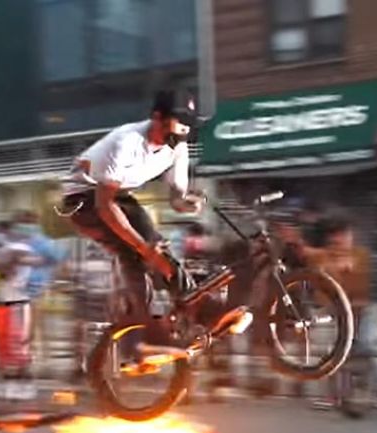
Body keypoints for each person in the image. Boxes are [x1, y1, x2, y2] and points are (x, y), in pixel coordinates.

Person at [58, 90, 243, 367]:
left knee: (156, 247)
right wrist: (144, 249)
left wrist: (188, 202)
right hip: (81, 198)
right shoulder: (126, 142)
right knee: (137, 250)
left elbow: (176, 199)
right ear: (157, 117)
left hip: (117, 194)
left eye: (188, 124)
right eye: (178, 122)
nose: (183, 131)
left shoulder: (177, 148)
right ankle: (148, 337)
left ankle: (198, 310)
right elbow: (105, 207)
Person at [306, 215, 371, 410]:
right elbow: (320, 288)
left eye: (345, 235)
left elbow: (362, 285)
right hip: (329, 311)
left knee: (358, 352)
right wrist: (335, 268)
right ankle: (329, 396)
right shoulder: (320, 258)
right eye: (336, 237)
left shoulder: (361, 255)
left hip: (356, 310)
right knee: (327, 353)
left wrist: (348, 270)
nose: (341, 241)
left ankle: (356, 393)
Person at [0, 222, 41, 400]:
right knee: (2, 347)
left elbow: (27, 261)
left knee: (20, 347)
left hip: (19, 305)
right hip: (1, 304)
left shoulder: (21, 252)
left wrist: (11, 261)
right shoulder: (3, 253)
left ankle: (25, 383)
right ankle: (7, 383)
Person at [14, 210, 64, 378]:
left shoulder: (44, 243)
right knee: (25, 329)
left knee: (35, 328)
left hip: (37, 291)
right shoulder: (18, 242)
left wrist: (51, 283)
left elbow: (58, 262)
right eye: (21, 222)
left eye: (25, 222)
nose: (22, 226)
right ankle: (29, 360)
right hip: (18, 292)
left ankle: (40, 361)